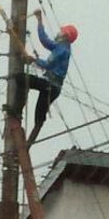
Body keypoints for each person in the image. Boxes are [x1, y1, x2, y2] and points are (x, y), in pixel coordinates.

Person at [25, 9, 78, 144]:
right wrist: (39, 20)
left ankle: (17, 117)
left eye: (61, 31)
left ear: (65, 35)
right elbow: (45, 40)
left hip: (51, 86)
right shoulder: (60, 46)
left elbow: (47, 65)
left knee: (22, 79)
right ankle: (28, 143)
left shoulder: (62, 50)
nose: (58, 33)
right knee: (39, 115)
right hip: (50, 86)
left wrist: (33, 60)